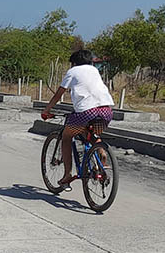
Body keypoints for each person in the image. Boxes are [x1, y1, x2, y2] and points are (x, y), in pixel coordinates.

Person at [41, 49, 114, 186]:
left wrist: (47, 110)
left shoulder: (73, 71)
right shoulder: (94, 70)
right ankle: (101, 151)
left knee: (66, 137)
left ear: (74, 63)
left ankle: (67, 175)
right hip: (106, 111)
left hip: (86, 112)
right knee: (91, 133)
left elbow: (59, 94)